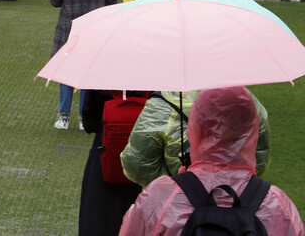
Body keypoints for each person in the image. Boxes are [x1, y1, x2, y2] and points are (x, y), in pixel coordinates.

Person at [119, 87, 303, 236]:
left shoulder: (158, 199)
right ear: (253, 131)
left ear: (193, 130)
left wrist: (176, 186)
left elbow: (136, 164)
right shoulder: (277, 205)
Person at [120, 90, 270, 188]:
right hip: (239, 195)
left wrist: (173, 186)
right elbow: (260, 155)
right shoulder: (243, 99)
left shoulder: (161, 106)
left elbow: (137, 165)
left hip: (179, 206)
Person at [50, 0, 117, 129]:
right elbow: (113, 0)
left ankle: (64, 117)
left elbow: (54, 1)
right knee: (87, 73)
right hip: (94, 29)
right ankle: (83, 117)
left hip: (69, 29)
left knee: (66, 71)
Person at [78, 90, 144, 236]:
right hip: (145, 161)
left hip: (105, 156)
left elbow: (90, 121)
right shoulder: (159, 75)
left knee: (99, 221)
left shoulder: (102, 72)